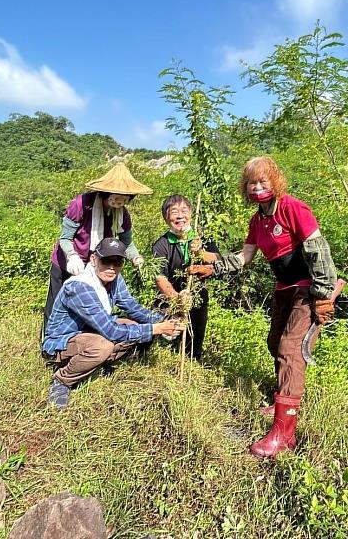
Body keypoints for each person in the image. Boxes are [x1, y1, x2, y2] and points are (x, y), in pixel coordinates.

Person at [188, 156, 337, 458]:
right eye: (252, 183)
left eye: (263, 181)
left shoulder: (292, 208)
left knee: (290, 349)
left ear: (275, 181)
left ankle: (284, 433)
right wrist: (211, 268)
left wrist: (322, 296)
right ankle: (282, 400)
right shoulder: (258, 221)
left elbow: (319, 251)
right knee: (275, 343)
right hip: (283, 288)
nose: (257, 188)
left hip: (306, 288)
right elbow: (244, 258)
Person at [42, 237, 185, 408]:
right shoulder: (80, 287)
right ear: (94, 260)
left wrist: (166, 321)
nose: (111, 267)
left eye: (117, 262)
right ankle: (62, 381)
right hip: (63, 341)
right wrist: (156, 329)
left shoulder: (115, 279)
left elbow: (133, 308)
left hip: (90, 332)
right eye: (106, 261)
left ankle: (96, 365)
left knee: (132, 326)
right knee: (102, 346)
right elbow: (110, 331)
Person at [43, 163, 152, 331]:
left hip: (95, 266)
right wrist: (72, 255)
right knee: (56, 304)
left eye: (124, 198)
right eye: (115, 197)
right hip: (67, 261)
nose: (118, 201)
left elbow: (126, 242)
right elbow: (65, 238)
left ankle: (76, 343)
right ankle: (50, 343)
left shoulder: (122, 214)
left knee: (86, 307)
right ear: (105, 192)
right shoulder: (82, 204)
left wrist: (136, 257)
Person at [152, 195, 220, 361]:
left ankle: (193, 364)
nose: (180, 216)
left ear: (191, 213)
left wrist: (200, 253)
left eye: (184, 211)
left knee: (194, 342)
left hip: (198, 297)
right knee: (165, 341)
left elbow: (218, 259)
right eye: (174, 212)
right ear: (166, 218)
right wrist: (178, 299)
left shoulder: (202, 237)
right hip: (171, 299)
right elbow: (160, 277)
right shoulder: (161, 245)